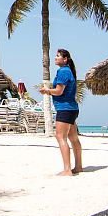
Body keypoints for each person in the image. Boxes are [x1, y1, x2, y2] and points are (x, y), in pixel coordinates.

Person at [39, 48, 82, 176]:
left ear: (65, 59)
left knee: (60, 137)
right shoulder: (68, 71)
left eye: (58, 56)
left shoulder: (63, 71)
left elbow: (59, 91)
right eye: (56, 56)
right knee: (73, 138)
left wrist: (46, 90)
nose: (55, 58)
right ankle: (78, 166)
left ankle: (67, 170)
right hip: (72, 108)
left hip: (65, 109)